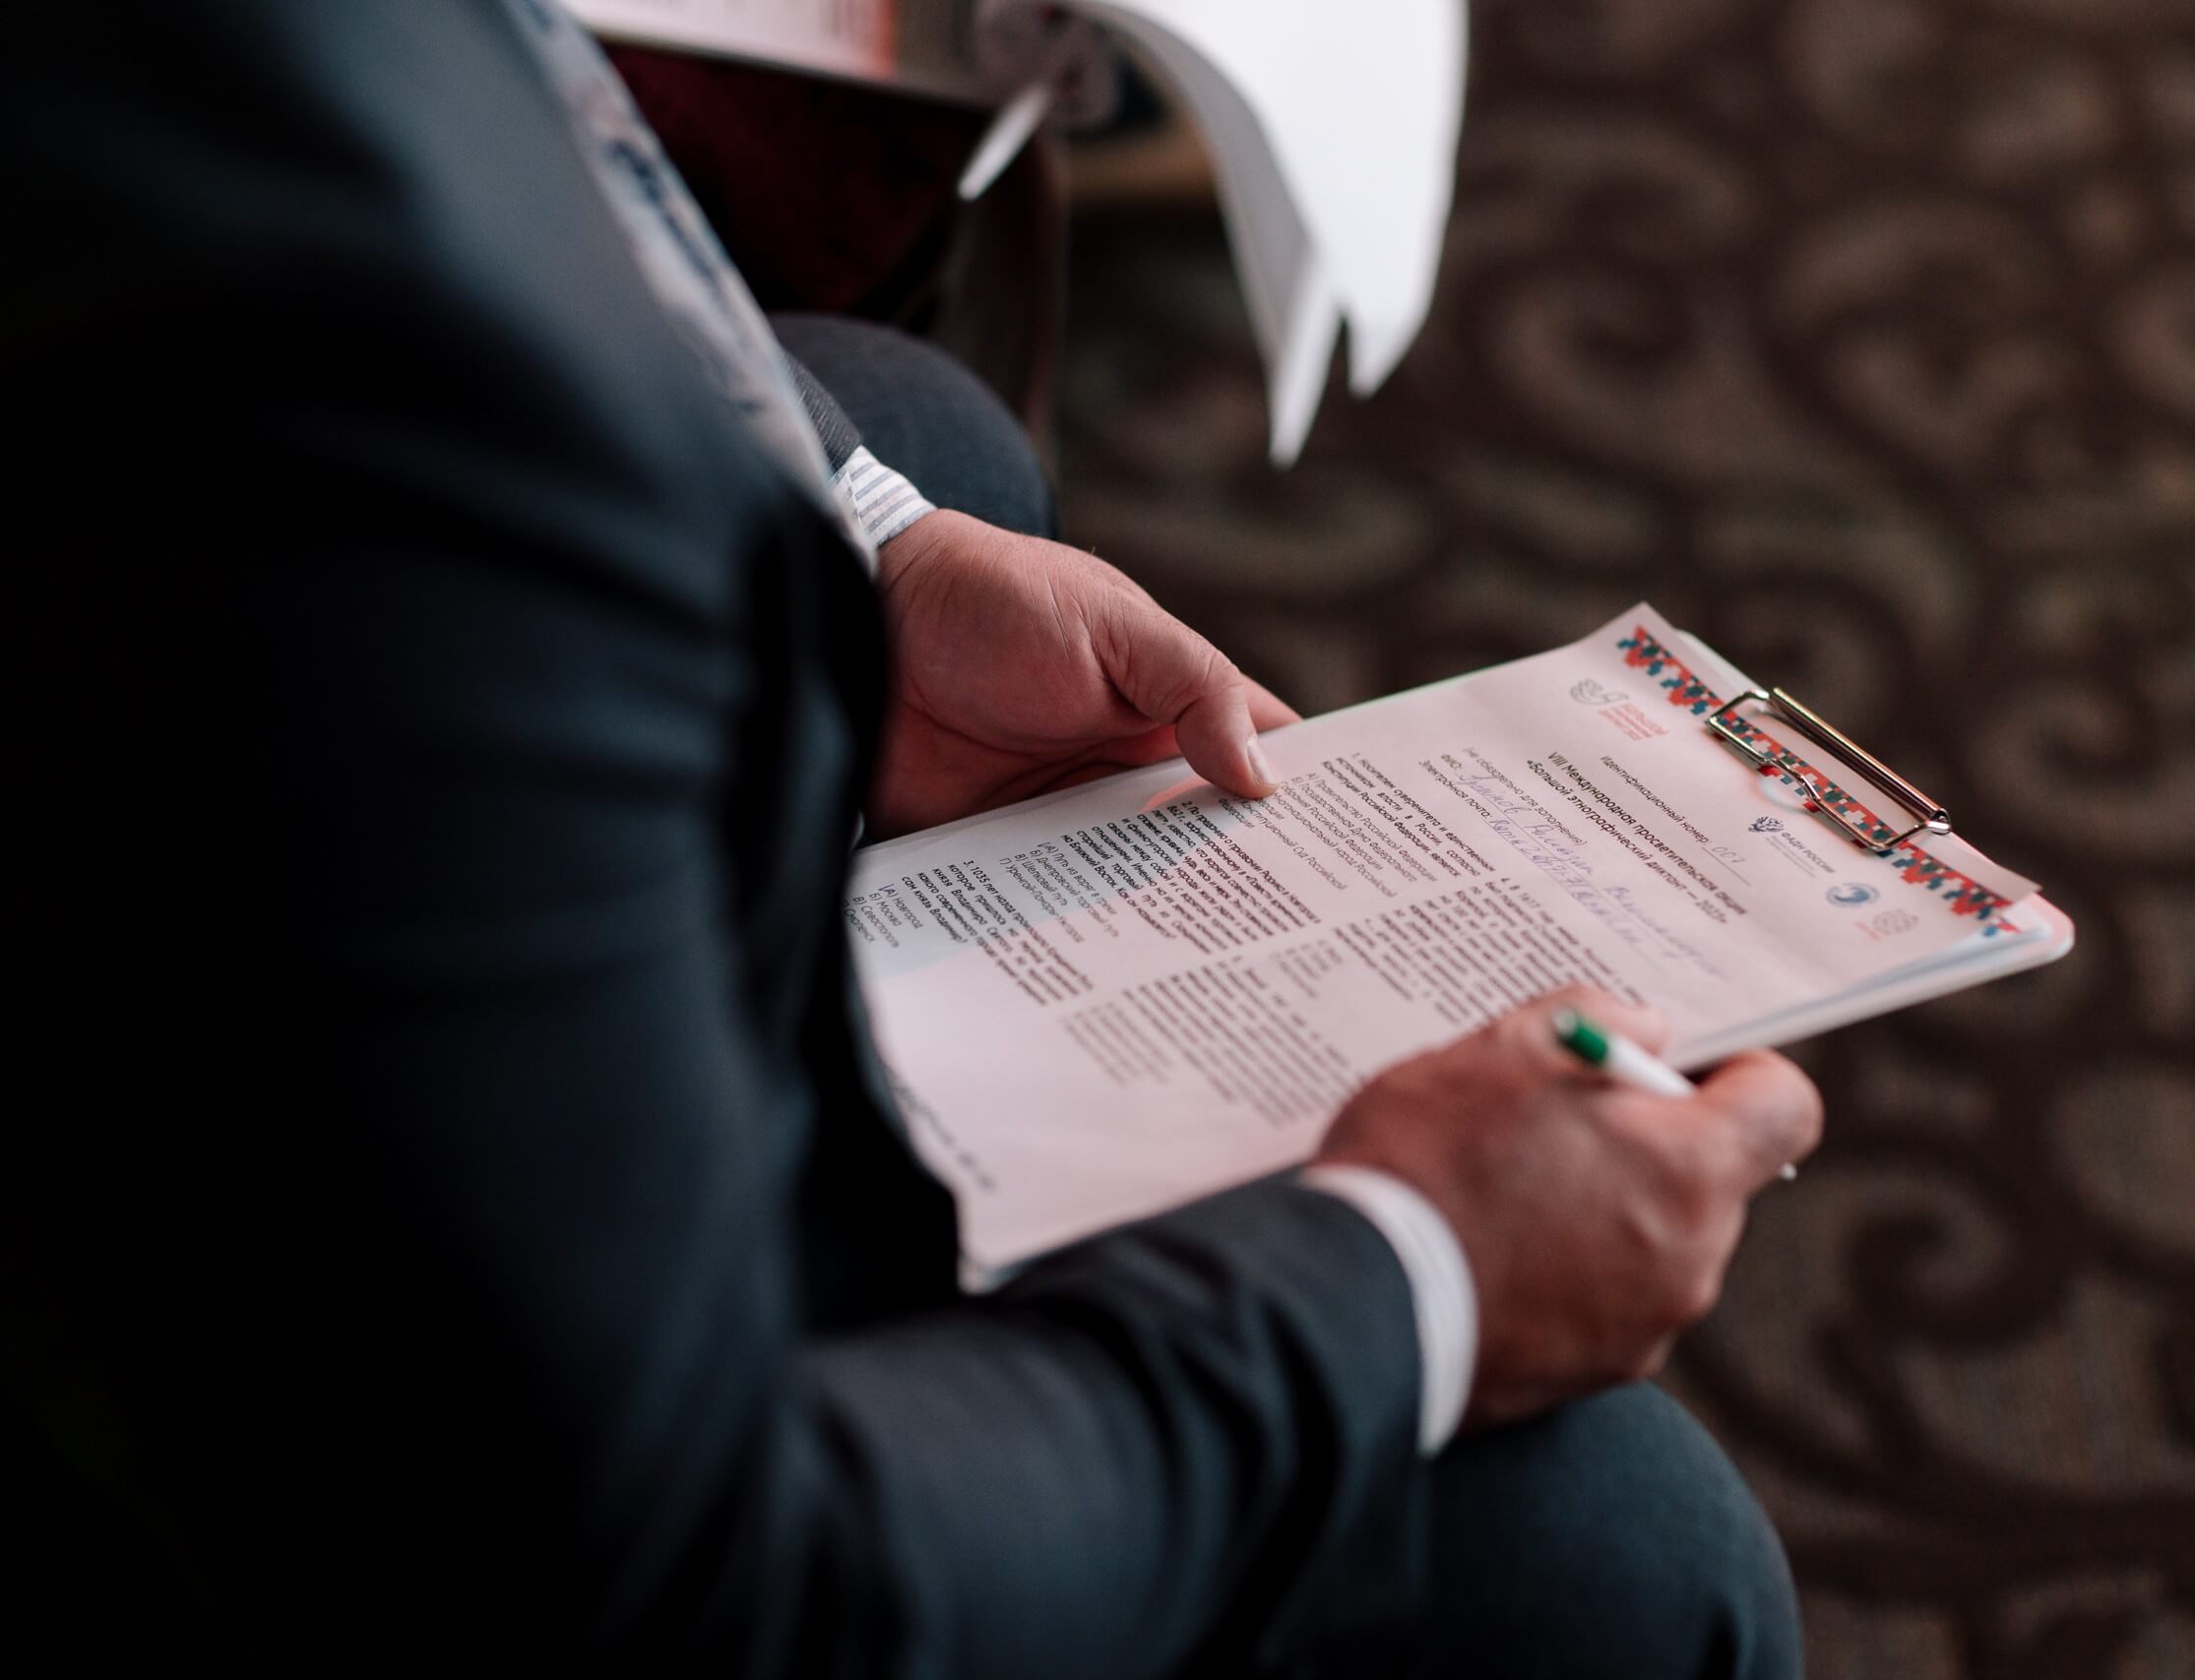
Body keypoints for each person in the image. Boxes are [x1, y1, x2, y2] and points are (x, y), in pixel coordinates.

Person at [3, 5, 1823, 1676]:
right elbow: (690, 1606)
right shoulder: (388, 476)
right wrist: (1411, 1271)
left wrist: (868, 540)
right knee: (1622, 1561)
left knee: (928, 440)